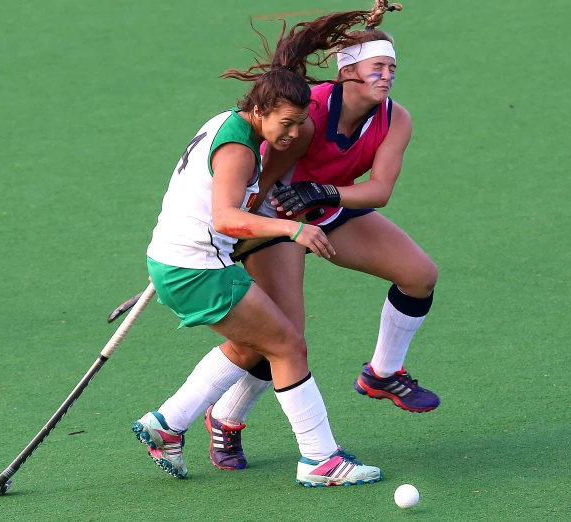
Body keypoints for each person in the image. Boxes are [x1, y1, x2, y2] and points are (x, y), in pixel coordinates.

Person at [133, 10, 384, 488]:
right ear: (261, 110)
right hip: (196, 269)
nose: (291, 135)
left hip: (183, 261)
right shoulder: (239, 148)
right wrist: (291, 231)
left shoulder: (230, 123)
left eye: (299, 123)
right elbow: (227, 217)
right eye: (285, 124)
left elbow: (218, 212)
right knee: (287, 344)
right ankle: (319, 460)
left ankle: (167, 425)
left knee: (255, 344)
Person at [203, 0, 441, 472]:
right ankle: (225, 420)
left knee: (419, 274)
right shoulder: (308, 108)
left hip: (329, 209)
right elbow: (265, 168)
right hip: (277, 218)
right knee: (283, 336)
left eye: (392, 68)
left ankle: (383, 372)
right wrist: (234, 232)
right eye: (378, 67)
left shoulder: (396, 118)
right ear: (349, 71)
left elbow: (381, 190)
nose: (388, 76)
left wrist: (325, 191)